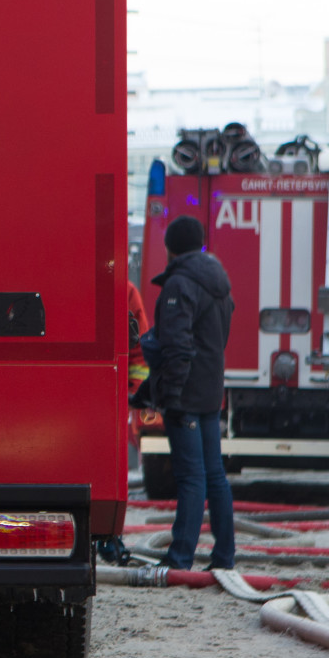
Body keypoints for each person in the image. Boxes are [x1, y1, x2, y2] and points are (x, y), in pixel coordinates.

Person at [141, 215, 236, 571]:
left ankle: (179, 558)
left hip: (187, 396)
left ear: (170, 248)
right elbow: (220, 336)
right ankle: (224, 557)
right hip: (211, 391)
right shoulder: (219, 283)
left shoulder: (179, 285)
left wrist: (172, 395)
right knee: (215, 476)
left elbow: (177, 347)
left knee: (192, 477)